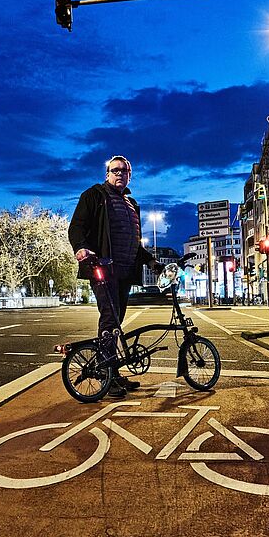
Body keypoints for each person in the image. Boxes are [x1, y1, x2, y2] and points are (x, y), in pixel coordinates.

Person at [68, 155, 162, 398]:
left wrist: (151, 262)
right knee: (110, 320)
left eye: (124, 171)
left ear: (130, 175)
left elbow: (134, 242)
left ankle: (112, 372)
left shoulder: (131, 205)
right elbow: (77, 226)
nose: (119, 174)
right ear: (107, 173)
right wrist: (80, 248)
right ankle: (107, 377)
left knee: (116, 323)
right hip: (103, 269)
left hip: (125, 272)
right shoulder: (95, 196)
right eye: (115, 170)